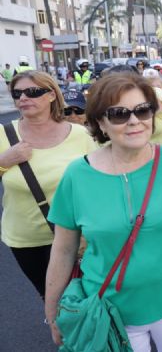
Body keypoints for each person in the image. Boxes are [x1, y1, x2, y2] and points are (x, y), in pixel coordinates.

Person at [44, 73, 162, 351]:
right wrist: (52, 310)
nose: (134, 121)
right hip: (110, 308)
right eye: (118, 114)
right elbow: (64, 249)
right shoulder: (76, 176)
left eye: (142, 110)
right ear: (100, 123)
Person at [0, 71, 95, 300]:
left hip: (75, 236)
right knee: (50, 298)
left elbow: (98, 185)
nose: (23, 98)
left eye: (32, 92)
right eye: (17, 93)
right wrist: (4, 161)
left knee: (82, 298)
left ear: (52, 95)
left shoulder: (80, 135)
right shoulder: (4, 134)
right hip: (25, 239)